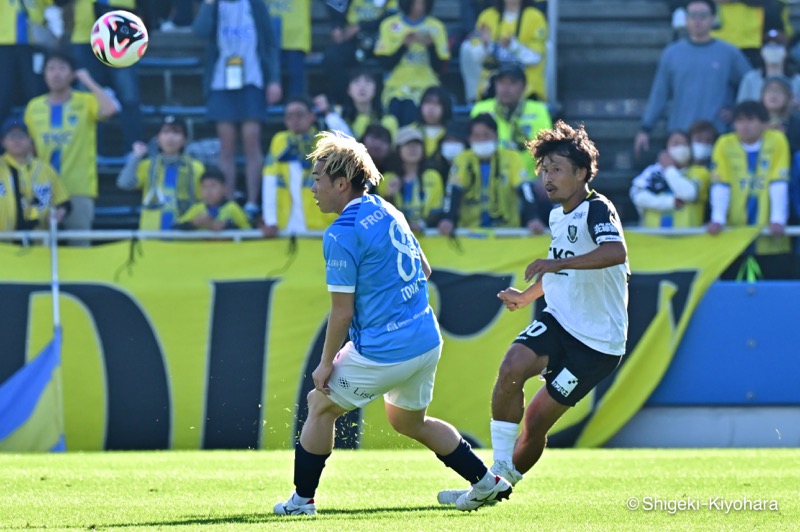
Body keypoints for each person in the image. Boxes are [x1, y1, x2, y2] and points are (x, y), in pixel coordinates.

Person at [273, 131, 512, 516]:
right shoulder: (387, 208)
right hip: (425, 338)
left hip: (387, 349)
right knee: (409, 421)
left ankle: (302, 501)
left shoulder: (342, 232)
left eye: (317, 178)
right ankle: (486, 483)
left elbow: (342, 312)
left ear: (341, 183)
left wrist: (324, 363)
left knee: (319, 404)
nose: (312, 186)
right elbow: (425, 268)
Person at [437, 120, 629, 505]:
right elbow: (563, 265)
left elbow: (615, 253)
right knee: (511, 367)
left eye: (556, 168)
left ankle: (497, 487)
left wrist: (555, 265)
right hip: (561, 319)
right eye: (544, 169)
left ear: (581, 172)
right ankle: (490, 477)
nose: (547, 177)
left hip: (597, 343)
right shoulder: (559, 215)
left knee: (537, 421)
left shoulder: (597, 209)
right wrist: (527, 297)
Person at [193, 0, 282, 220]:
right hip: (222, 81)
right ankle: (228, 201)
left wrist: (274, 79)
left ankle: (252, 202)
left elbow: (270, 43)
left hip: (252, 80)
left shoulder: (256, 5)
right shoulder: (214, 6)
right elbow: (200, 31)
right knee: (227, 146)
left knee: (252, 141)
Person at [634, 0, 751, 159]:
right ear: (686, 19)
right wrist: (646, 128)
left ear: (713, 19)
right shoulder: (672, 53)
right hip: (680, 136)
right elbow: (660, 93)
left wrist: (736, 111)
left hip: (717, 134)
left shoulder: (729, 53)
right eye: (693, 15)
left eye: (703, 15)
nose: (698, 20)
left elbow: (751, 84)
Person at [24, 49, 118, 246]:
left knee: (80, 246)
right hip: (43, 189)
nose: (56, 73)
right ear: (44, 74)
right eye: (51, 69)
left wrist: (88, 82)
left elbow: (110, 109)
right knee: (41, 248)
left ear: (72, 73)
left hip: (79, 188)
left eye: (61, 68)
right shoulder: (34, 107)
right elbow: (28, 147)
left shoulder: (86, 102)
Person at [708, 100, 792, 280]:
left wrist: (778, 218)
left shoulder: (777, 140)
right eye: (739, 121)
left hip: (769, 236)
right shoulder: (724, 143)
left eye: (751, 120)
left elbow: (779, 181)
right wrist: (718, 218)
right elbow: (721, 184)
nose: (744, 126)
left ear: (764, 123)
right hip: (733, 235)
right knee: (733, 286)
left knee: (773, 288)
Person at [438, 113, 545, 234]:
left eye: (486, 135)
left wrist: (533, 218)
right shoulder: (462, 159)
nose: (482, 140)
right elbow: (453, 190)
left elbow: (525, 189)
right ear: (469, 139)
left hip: (507, 233)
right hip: (470, 233)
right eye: (476, 136)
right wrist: (448, 218)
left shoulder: (512, 157)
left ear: (496, 136)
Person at [261, 95, 345, 237]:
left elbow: (349, 139)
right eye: (289, 115)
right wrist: (270, 220)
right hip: (286, 226)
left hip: (322, 227)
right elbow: (269, 180)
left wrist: (327, 112)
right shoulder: (279, 141)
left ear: (312, 116)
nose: (294, 119)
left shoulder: (326, 140)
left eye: (299, 114)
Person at [69, 0, 144, 151]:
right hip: (84, 38)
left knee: (129, 97)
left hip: (121, 34)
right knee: (89, 99)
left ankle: (135, 152)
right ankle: (92, 151)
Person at [116, 115, 205, 230]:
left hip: (185, 234)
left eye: (176, 132)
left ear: (185, 140)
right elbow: (124, 183)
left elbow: (203, 201)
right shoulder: (148, 165)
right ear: (158, 139)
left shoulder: (196, 168)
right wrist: (136, 157)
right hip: (151, 235)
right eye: (165, 132)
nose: (170, 137)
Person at [374, 0, 450, 126]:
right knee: (394, 113)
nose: (419, 7)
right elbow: (385, 64)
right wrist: (404, 45)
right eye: (415, 3)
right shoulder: (389, 25)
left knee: (412, 111)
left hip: (426, 85)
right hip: (396, 85)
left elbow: (441, 68)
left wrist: (431, 46)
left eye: (422, 3)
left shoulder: (437, 27)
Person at [460, 0, 548, 104]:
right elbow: (476, 58)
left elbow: (535, 58)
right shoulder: (487, 16)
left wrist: (513, 46)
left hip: (528, 89)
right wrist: (485, 46)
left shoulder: (535, 17)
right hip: (490, 88)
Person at [0, 117, 70, 232]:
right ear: (3, 142)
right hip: (3, 243)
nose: (17, 140)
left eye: (21, 136)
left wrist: (58, 215)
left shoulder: (45, 169)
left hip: (38, 242)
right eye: (12, 136)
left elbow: (63, 203)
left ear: (30, 140)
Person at [322, 0, 398, 106]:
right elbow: (336, 8)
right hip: (353, 40)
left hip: (381, 38)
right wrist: (337, 27)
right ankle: (343, 104)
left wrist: (361, 26)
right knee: (333, 58)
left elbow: (392, 15)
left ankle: (383, 106)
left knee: (392, 59)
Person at [629, 130, 710, 228]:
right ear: (665, 149)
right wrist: (669, 202)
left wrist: (669, 169)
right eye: (676, 143)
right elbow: (638, 196)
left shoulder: (700, 172)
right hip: (654, 239)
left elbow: (689, 193)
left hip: (688, 240)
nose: (681, 147)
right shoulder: (653, 172)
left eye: (685, 144)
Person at [377, 125, 444, 233]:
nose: (413, 149)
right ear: (398, 149)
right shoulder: (387, 178)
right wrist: (389, 196)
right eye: (408, 145)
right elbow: (382, 215)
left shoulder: (433, 176)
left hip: (428, 238)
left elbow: (437, 210)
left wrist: (422, 224)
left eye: (417, 145)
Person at [737, 29, 800, 106]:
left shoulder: (797, 80)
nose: (773, 50)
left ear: (786, 52)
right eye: (768, 46)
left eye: (778, 46)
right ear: (762, 52)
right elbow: (741, 107)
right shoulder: (750, 79)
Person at [175, 168, 251, 230]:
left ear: (224, 188)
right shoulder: (197, 209)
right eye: (204, 186)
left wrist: (226, 225)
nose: (208, 191)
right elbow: (176, 228)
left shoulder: (232, 208)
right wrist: (193, 223)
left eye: (213, 186)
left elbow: (247, 230)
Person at [266, 0, 312, 99]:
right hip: (267, 38)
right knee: (266, 79)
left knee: (296, 81)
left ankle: (296, 109)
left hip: (295, 40)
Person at [338, 68, 399, 141]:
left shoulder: (388, 121)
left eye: (368, 81)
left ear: (376, 88)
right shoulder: (340, 120)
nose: (362, 87)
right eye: (356, 81)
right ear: (348, 90)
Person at [411, 85, 454, 160]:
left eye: (437, 103)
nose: (431, 108)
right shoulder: (411, 131)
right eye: (427, 102)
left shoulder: (452, 134)